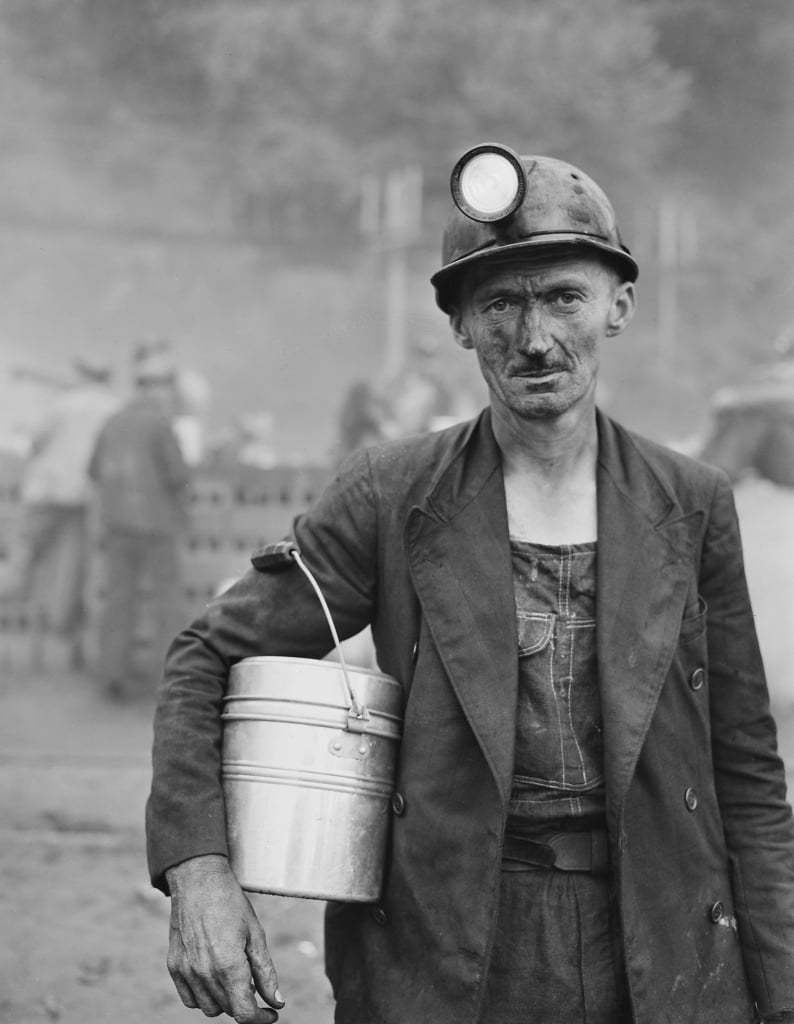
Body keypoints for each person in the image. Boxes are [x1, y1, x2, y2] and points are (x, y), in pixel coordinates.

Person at [146, 145, 794, 1023]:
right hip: (446, 951)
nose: (534, 338)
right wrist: (201, 873)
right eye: (499, 304)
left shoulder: (690, 504)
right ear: (459, 325)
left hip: (660, 945)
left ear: (619, 306)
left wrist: (780, 987)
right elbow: (206, 659)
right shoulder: (395, 497)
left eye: (565, 296)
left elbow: (747, 774)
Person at [88, 339, 190, 699]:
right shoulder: (160, 425)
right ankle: (169, 675)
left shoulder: (113, 421)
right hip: (157, 526)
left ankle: (111, 675)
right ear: (156, 388)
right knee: (166, 601)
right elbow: (177, 475)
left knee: (119, 600)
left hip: (118, 525)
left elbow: (95, 469)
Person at [7, 356, 118, 666]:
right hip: (81, 496)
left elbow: (36, 442)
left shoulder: (64, 404)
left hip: (45, 491)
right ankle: (62, 636)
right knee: (70, 570)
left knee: (23, 558)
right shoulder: (112, 407)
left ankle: (13, 599)